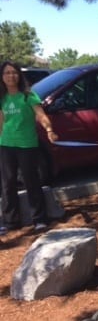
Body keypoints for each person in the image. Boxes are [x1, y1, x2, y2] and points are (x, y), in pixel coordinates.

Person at [0, 61, 58, 234]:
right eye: (7, 73)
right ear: (2, 77)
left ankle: (39, 219)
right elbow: (1, 123)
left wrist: (49, 129)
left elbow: (41, 115)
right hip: (6, 145)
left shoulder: (28, 96)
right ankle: (10, 222)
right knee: (7, 184)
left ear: (19, 75)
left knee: (31, 181)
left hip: (27, 144)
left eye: (14, 72)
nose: (11, 76)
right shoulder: (1, 98)